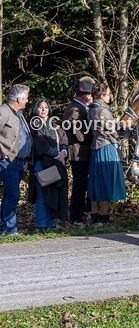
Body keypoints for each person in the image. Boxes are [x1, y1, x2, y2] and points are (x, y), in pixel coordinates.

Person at [87, 82, 126, 224]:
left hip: (96, 147)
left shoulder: (91, 108)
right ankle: (103, 217)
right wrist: (121, 134)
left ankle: (94, 214)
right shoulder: (102, 110)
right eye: (109, 94)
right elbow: (112, 131)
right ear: (102, 95)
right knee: (106, 181)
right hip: (105, 147)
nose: (110, 96)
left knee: (96, 181)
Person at [28, 99, 68, 230]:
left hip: (56, 163)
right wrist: (56, 154)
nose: (43, 109)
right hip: (42, 163)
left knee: (52, 194)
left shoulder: (54, 124)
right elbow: (40, 144)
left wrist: (63, 151)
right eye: (40, 107)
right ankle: (41, 224)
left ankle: (50, 223)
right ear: (36, 109)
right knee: (43, 194)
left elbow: (63, 139)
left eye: (46, 107)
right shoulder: (34, 124)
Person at [62, 76, 94, 225]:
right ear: (84, 95)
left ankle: (80, 213)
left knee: (82, 184)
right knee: (79, 186)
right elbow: (78, 134)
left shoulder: (79, 106)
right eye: (89, 94)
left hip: (82, 152)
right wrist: (92, 134)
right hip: (79, 152)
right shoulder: (75, 109)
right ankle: (76, 216)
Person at [0, 84, 31, 235]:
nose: (27, 100)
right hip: (8, 161)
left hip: (18, 161)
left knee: (9, 195)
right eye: (25, 97)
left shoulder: (18, 113)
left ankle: (4, 227)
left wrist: (24, 157)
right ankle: (10, 229)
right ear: (18, 98)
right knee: (13, 195)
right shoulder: (3, 111)